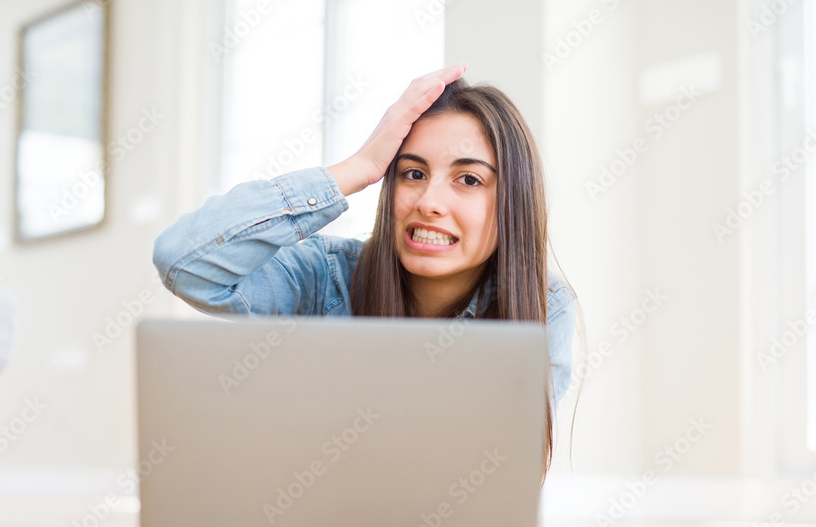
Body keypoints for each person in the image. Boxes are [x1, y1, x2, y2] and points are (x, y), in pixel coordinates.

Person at [153, 62, 582, 480]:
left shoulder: (546, 305)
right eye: (412, 173)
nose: (428, 202)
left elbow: (499, 479)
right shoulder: (327, 275)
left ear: (512, 202)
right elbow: (183, 261)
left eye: (468, 179)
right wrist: (358, 167)